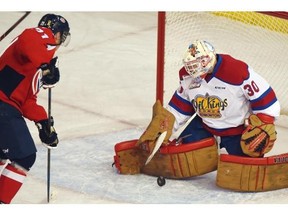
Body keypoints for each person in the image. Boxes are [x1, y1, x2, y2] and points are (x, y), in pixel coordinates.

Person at [165, 39, 280, 157]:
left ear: (207, 60)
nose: (192, 70)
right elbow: (180, 105)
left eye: (195, 65)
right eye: (190, 66)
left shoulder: (236, 71)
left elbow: (264, 98)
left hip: (238, 132)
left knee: (248, 162)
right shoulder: (187, 76)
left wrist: (265, 121)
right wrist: (163, 132)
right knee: (184, 155)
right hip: (204, 127)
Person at [0, 13, 71, 204]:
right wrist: (45, 65)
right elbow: (27, 38)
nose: (60, 41)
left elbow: (27, 100)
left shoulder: (37, 60)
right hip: (2, 106)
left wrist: (43, 122)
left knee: (2, 153)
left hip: (6, 106)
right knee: (25, 156)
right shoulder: (41, 37)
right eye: (61, 35)